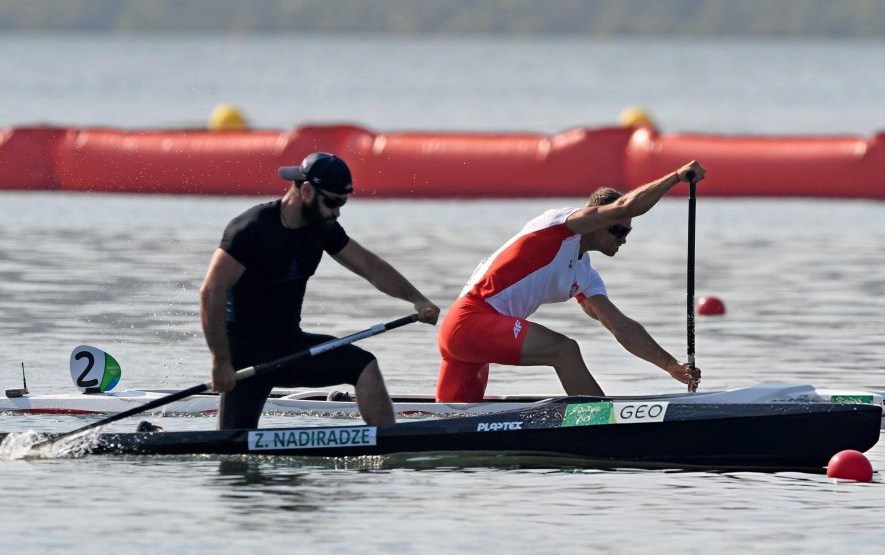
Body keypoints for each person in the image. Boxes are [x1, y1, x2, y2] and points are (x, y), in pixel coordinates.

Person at [201, 152, 440, 429]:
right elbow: (211, 291)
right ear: (305, 190)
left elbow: (371, 267)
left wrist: (416, 298)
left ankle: (388, 443)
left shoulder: (322, 228)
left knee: (364, 365)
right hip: (245, 359)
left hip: (291, 348)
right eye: (332, 202)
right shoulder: (251, 230)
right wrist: (221, 361)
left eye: (342, 203)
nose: (337, 211)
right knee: (233, 449)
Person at [436, 161, 705, 402]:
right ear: (597, 220)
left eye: (627, 232)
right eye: (618, 229)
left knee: (447, 421)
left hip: (472, 337)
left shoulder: (584, 275)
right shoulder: (557, 226)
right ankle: (600, 424)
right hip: (469, 320)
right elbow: (625, 207)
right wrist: (676, 177)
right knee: (564, 350)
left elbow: (620, 326)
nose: (623, 238)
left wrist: (670, 365)